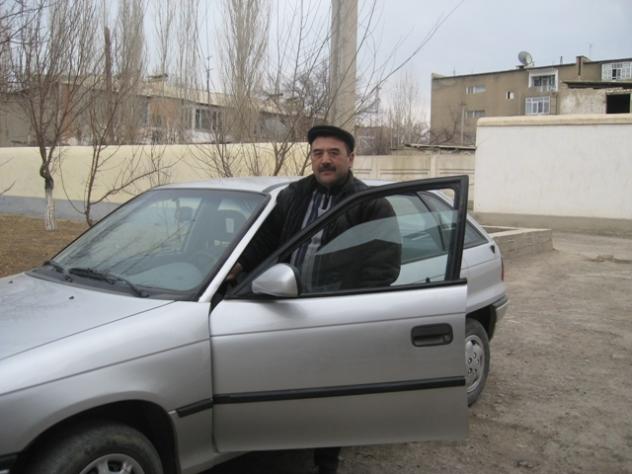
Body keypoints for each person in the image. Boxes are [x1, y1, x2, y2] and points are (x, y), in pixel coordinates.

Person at [228, 124, 400, 474]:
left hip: (332, 313)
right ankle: (278, 446)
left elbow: (383, 266)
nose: (325, 160)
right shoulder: (292, 196)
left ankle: (326, 463)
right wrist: (238, 267)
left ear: (351, 158)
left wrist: (349, 305)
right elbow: (264, 241)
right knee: (285, 383)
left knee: (328, 393)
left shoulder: (370, 205)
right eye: (318, 153)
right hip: (284, 306)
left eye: (334, 153)